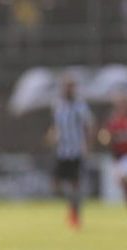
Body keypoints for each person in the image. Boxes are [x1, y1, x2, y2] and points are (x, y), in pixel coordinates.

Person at [46, 75, 96, 228]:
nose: (68, 89)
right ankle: (72, 206)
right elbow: (55, 126)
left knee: (75, 184)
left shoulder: (80, 106)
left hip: (75, 151)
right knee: (55, 185)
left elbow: (90, 126)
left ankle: (75, 215)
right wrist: (52, 136)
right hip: (62, 151)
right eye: (66, 86)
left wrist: (88, 146)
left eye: (70, 86)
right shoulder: (58, 105)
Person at [103, 94, 127, 204]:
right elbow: (107, 136)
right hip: (117, 155)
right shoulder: (113, 121)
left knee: (123, 178)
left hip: (125, 154)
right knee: (121, 181)